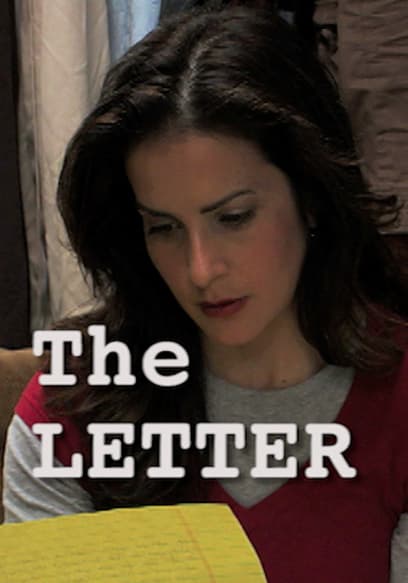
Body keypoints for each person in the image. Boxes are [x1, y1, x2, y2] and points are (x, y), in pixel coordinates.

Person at [3, 5, 407, 582]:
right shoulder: (68, 410)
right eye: (163, 227)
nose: (199, 270)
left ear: (312, 197)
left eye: (234, 218)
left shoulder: (397, 400)